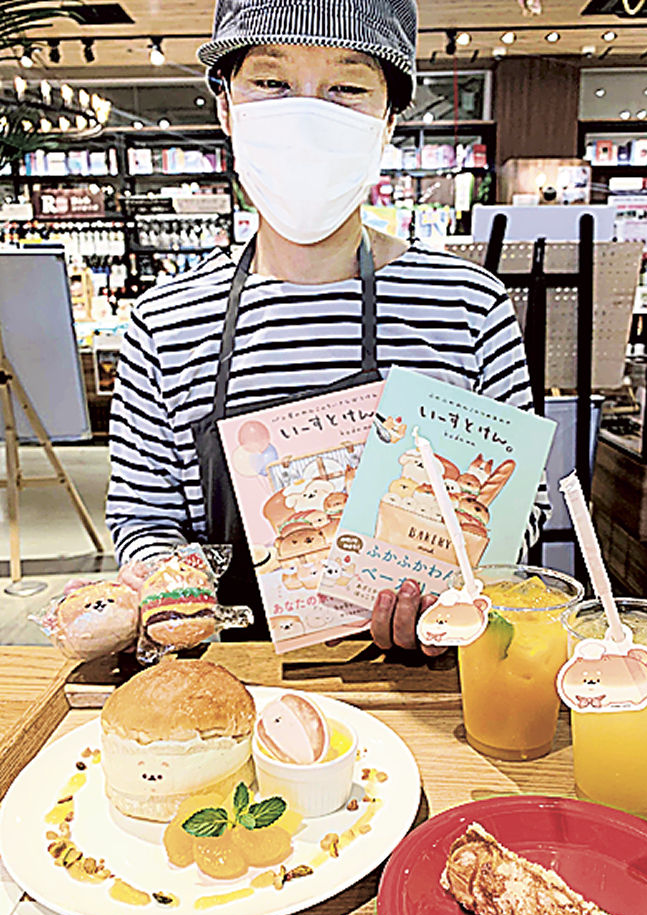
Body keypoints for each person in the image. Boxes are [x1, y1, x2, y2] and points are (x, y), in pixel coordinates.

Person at [106, 0, 551, 655]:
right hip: (232, 675)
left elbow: (524, 503)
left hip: (422, 677)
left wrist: (451, 579)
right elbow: (144, 519)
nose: (307, 116)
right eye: (271, 82)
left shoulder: (467, 304)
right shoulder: (165, 322)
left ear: (388, 121)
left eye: (346, 87)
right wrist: (169, 588)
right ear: (226, 107)